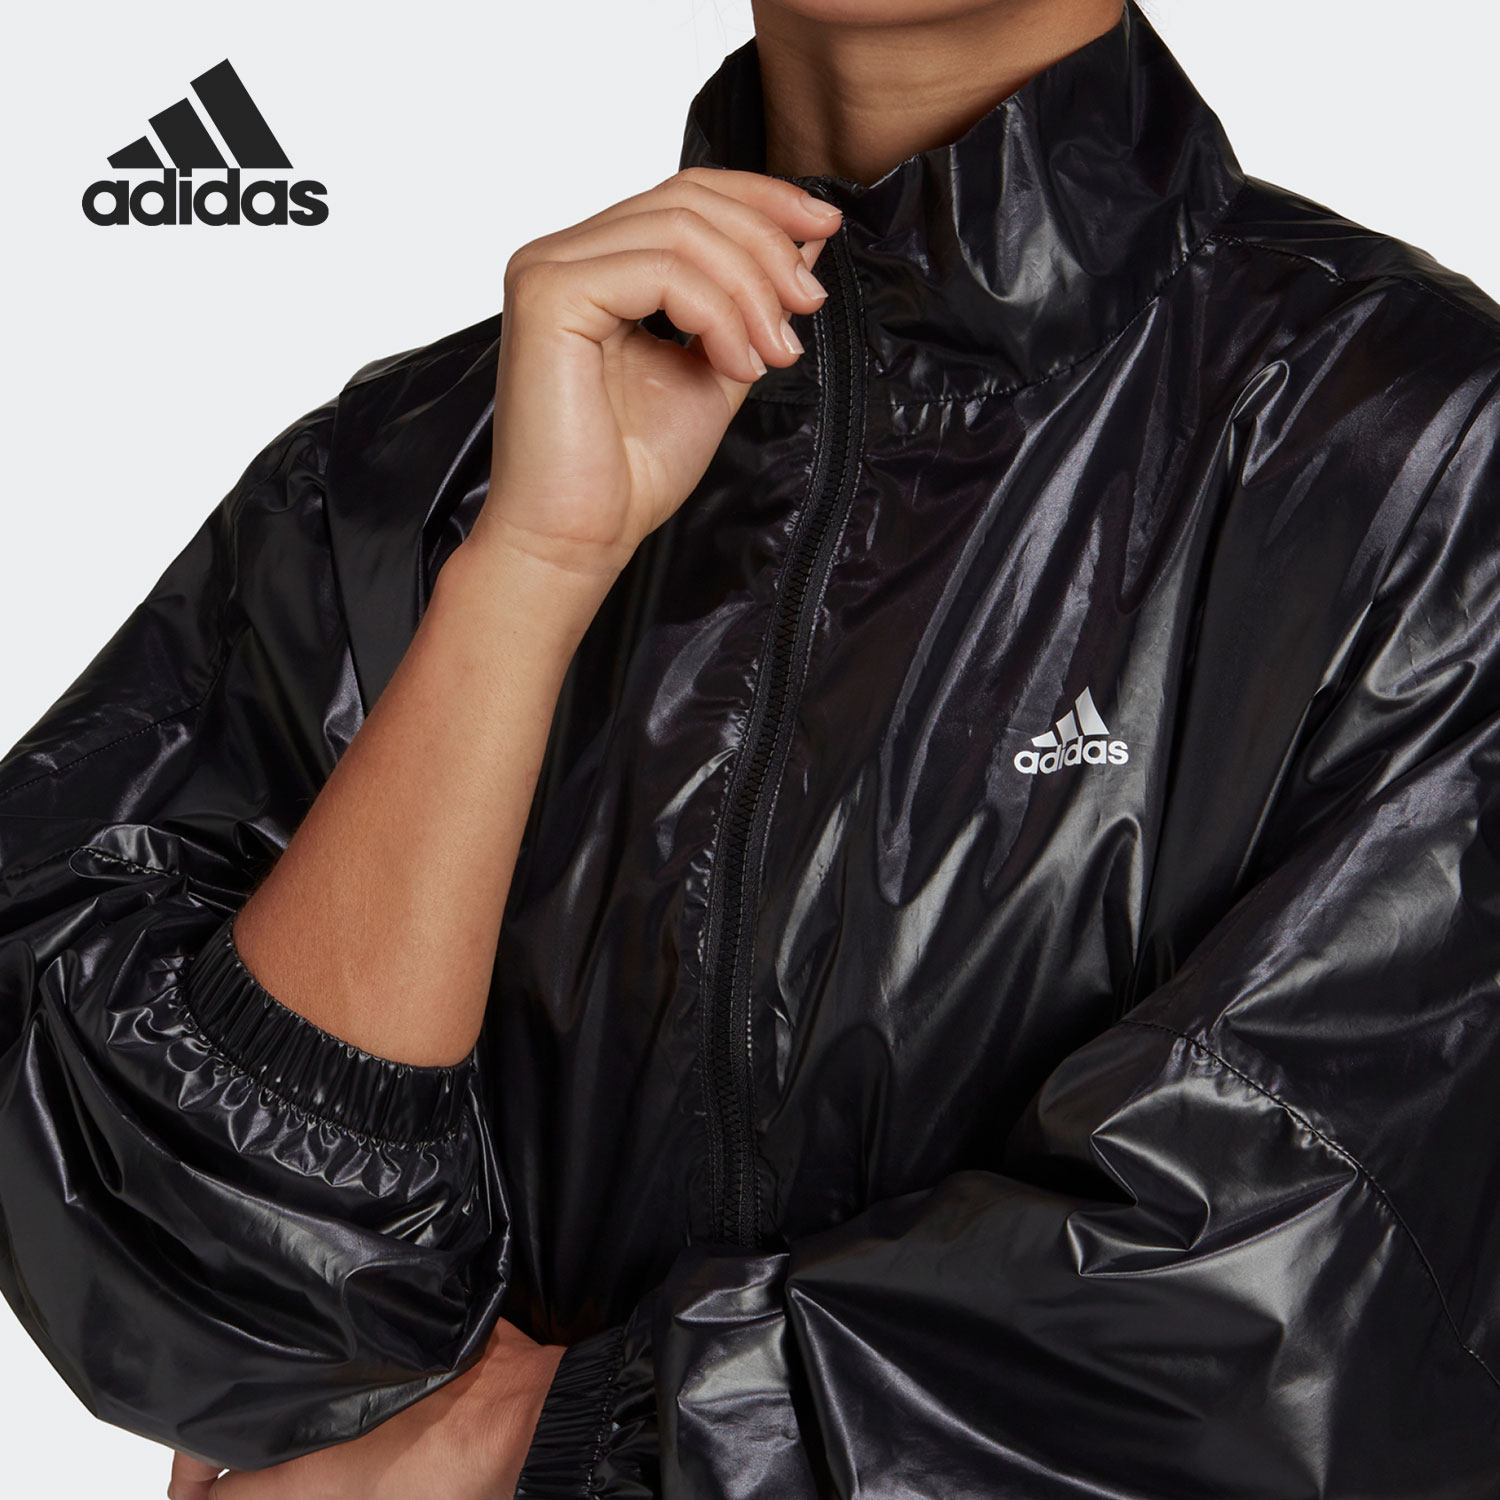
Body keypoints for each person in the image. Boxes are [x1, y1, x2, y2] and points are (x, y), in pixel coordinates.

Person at [1, 0, 1497, 1495]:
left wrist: (551, 1441)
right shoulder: (405, 480)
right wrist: (523, 581)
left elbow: (1313, 1300)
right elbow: (192, 1305)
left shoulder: (1410, 463)